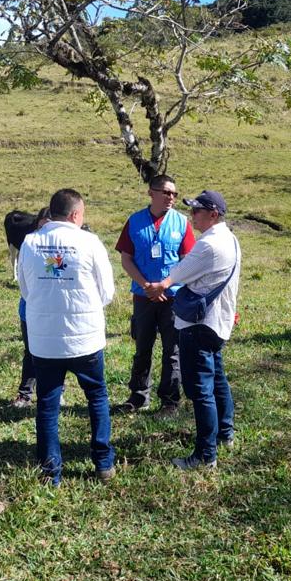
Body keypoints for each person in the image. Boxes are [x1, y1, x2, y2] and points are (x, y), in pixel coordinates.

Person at [17, 189, 116, 486]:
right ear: (75, 215)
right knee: (96, 397)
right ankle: (103, 464)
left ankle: (51, 472)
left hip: (45, 341)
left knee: (47, 403)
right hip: (85, 339)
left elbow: (24, 288)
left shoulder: (30, 243)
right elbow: (107, 292)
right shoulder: (90, 242)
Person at [145, 190, 241, 471]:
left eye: (197, 211)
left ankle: (205, 455)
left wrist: (157, 287)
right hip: (217, 322)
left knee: (200, 391)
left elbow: (175, 276)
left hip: (199, 325)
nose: (192, 215)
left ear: (213, 214)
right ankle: (225, 433)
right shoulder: (230, 239)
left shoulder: (208, 245)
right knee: (218, 380)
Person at [113, 174, 196, 415]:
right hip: (143, 296)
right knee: (143, 348)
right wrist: (146, 285)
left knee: (173, 351)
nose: (171, 197)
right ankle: (138, 396)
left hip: (173, 297)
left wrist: (165, 284)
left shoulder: (181, 223)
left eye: (174, 194)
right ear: (152, 192)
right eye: (166, 192)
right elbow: (126, 258)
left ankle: (170, 401)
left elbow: (187, 261)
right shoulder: (135, 221)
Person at [8, 207, 50, 408]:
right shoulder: (29, 245)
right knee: (30, 351)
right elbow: (23, 282)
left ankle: (55, 392)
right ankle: (25, 393)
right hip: (30, 309)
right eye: (42, 223)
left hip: (52, 310)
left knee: (53, 353)